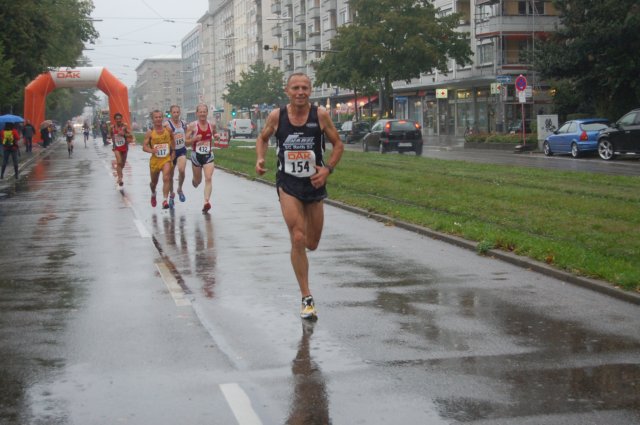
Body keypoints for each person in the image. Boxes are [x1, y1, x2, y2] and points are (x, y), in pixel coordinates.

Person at [255, 72, 344, 320]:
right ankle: (306, 297)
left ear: (310, 90)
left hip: (314, 183)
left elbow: (338, 145)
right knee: (297, 236)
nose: (300, 92)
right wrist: (260, 158)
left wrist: (327, 170)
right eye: (295, 88)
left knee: (311, 243)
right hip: (288, 182)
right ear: (287, 91)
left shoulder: (320, 115)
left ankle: (300, 251)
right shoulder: (277, 116)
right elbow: (262, 139)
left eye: (305, 87)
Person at [186, 103, 218, 213]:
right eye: (200, 112)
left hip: (208, 155)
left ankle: (206, 202)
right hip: (196, 156)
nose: (202, 114)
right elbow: (185, 142)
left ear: (207, 113)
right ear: (197, 113)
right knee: (198, 181)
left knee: (208, 178)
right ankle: (194, 181)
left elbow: (215, 133)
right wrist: (194, 139)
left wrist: (217, 136)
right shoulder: (192, 126)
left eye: (204, 112)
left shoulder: (212, 125)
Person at [143, 110, 175, 209]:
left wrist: (173, 152)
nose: (158, 119)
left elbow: (173, 141)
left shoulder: (168, 130)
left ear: (162, 118)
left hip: (166, 159)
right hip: (155, 160)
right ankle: (153, 193)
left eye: (160, 117)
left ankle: (165, 200)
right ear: (152, 119)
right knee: (153, 183)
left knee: (166, 178)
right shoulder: (150, 132)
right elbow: (144, 147)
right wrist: (151, 150)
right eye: (156, 117)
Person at [164, 104, 188, 206]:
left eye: (177, 112)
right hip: (171, 152)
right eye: (174, 112)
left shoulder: (183, 123)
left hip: (181, 150)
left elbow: (187, 135)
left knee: (182, 170)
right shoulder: (167, 124)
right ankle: (171, 194)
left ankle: (180, 189)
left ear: (180, 113)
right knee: (170, 175)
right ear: (171, 113)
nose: (176, 114)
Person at [110, 113, 132, 187]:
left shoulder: (124, 127)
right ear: (115, 120)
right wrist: (112, 138)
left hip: (124, 147)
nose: (118, 120)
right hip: (116, 147)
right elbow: (110, 135)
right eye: (117, 119)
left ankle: (120, 172)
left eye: (120, 118)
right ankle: (120, 178)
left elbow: (130, 135)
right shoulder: (112, 127)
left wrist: (124, 134)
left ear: (121, 119)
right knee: (119, 162)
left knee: (122, 164)